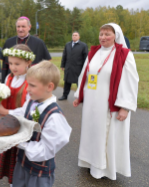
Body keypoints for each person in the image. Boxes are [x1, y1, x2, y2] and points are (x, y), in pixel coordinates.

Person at [73, 23, 139, 180]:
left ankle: (103, 168)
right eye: (101, 34)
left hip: (109, 104)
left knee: (105, 133)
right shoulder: (94, 52)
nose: (103, 37)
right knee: (91, 132)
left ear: (116, 36)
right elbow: (85, 75)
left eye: (107, 34)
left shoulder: (124, 54)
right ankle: (90, 162)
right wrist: (79, 95)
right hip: (91, 102)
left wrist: (125, 107)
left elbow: (130, 81)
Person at [13, 60, 72, 187]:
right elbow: (21, 114)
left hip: (38, 172)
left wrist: (19, 142)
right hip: (22, 164)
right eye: (27, 84)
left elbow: (46, 149)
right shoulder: (31, 101)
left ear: (49, 87)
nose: (27, 89)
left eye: (32, 85)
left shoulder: (54, 117)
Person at [0, 44, 34, 185]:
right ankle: (13, 181)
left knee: (21, 158)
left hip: (22, 127)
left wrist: (5, 111)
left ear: (28, 63)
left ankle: (22, 181)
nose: (13, 67)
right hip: (8, 125)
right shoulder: (9, 78)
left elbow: (29, 109)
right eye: (11, 63)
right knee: (10, 158)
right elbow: (4, 96)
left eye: (17, 64)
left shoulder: (31, 82)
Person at [1, 16, 52, 82]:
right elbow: (5, 65)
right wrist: (3, 82)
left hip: (32, 80)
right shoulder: (8, 42)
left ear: (29, 27)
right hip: (12, 79)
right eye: (18, 26)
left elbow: (46, 64)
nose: (20, 29)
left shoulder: (39, 43)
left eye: (23, 26)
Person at [59, 31, 88, 100]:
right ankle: (64, 96)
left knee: (80, 83)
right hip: (69, 67)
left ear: (79, 37)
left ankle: (81, 97)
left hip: (78, 68)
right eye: (73, 35)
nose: (74, 36)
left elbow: (86, 57)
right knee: (67, 82)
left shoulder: (83, 45)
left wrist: (85, 67)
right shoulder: (68, 45)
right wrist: (63, 65)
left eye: (76, 35)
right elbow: (64, 55)